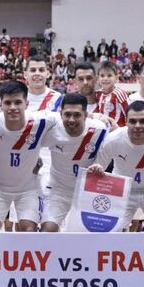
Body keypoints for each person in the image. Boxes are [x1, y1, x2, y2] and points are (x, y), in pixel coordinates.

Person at [0, 81, 60, 231]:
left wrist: (97, 116)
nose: (13, 107)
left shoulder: (42, 120)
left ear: (26, 104)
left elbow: (67, 116)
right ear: (0, 105)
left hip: (29, 189)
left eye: (17, 102)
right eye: (7, 103)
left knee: (29, 229)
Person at [88, 100, 144, 232]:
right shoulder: (113, 139)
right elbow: (98, 166)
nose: (137, 126)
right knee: (114, 235)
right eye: (133, 121)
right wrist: (96, 169)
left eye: (143, 121)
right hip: (123, 190)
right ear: (126, 121)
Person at [40, 93, 109, 232]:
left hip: (86, 192)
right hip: (57, 190)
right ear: (61, 114)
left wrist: (99, 166)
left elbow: (113, 150)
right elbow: (29, 145)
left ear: (85, 115)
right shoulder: (52, 132)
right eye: (67, 114)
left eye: (77, 115)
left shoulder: (99, 130)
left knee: (85, 235)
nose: (71, 120)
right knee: (48, 230)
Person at [96, 61, 128, 126]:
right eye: (102, 76)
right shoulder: (98, 94)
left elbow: (129, 113)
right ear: (98, 79)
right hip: (104, 130)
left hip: (117, 131)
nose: (105, 78)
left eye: (109, 75)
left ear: (116, 78)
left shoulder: (119, 94)